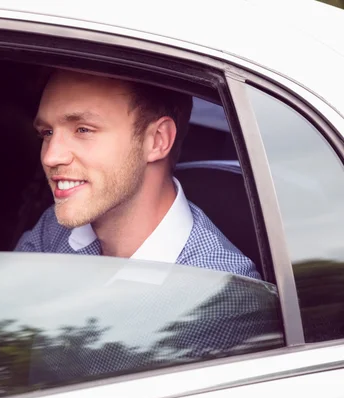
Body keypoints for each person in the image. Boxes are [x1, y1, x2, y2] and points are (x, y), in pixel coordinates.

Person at [15, 69, 260, 280]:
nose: (50, 157)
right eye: (47, 133)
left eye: (83, 129)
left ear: (157, 140)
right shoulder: (55, 229)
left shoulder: (223, 297)